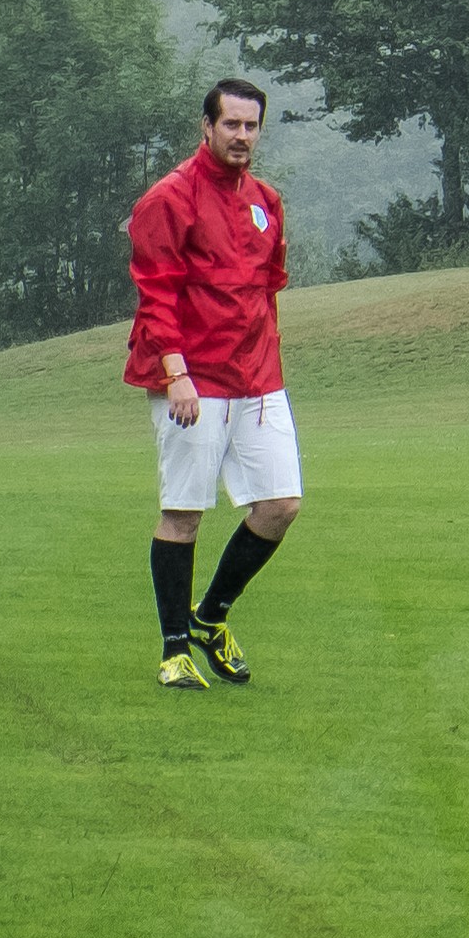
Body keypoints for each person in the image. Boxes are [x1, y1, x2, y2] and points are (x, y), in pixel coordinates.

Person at [127, 80, 299, 693]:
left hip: (258, 379)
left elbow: (268, 284)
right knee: (184, 513)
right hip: (192, 380)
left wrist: (264, 360)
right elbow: (156, 293)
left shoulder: (266, 201)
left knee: (280, 505)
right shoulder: (169, 198)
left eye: (252, 126)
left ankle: (210, 617)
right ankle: (174, 650)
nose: (242, 136)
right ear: (206, 127)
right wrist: (176, 374)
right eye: (231, 124)